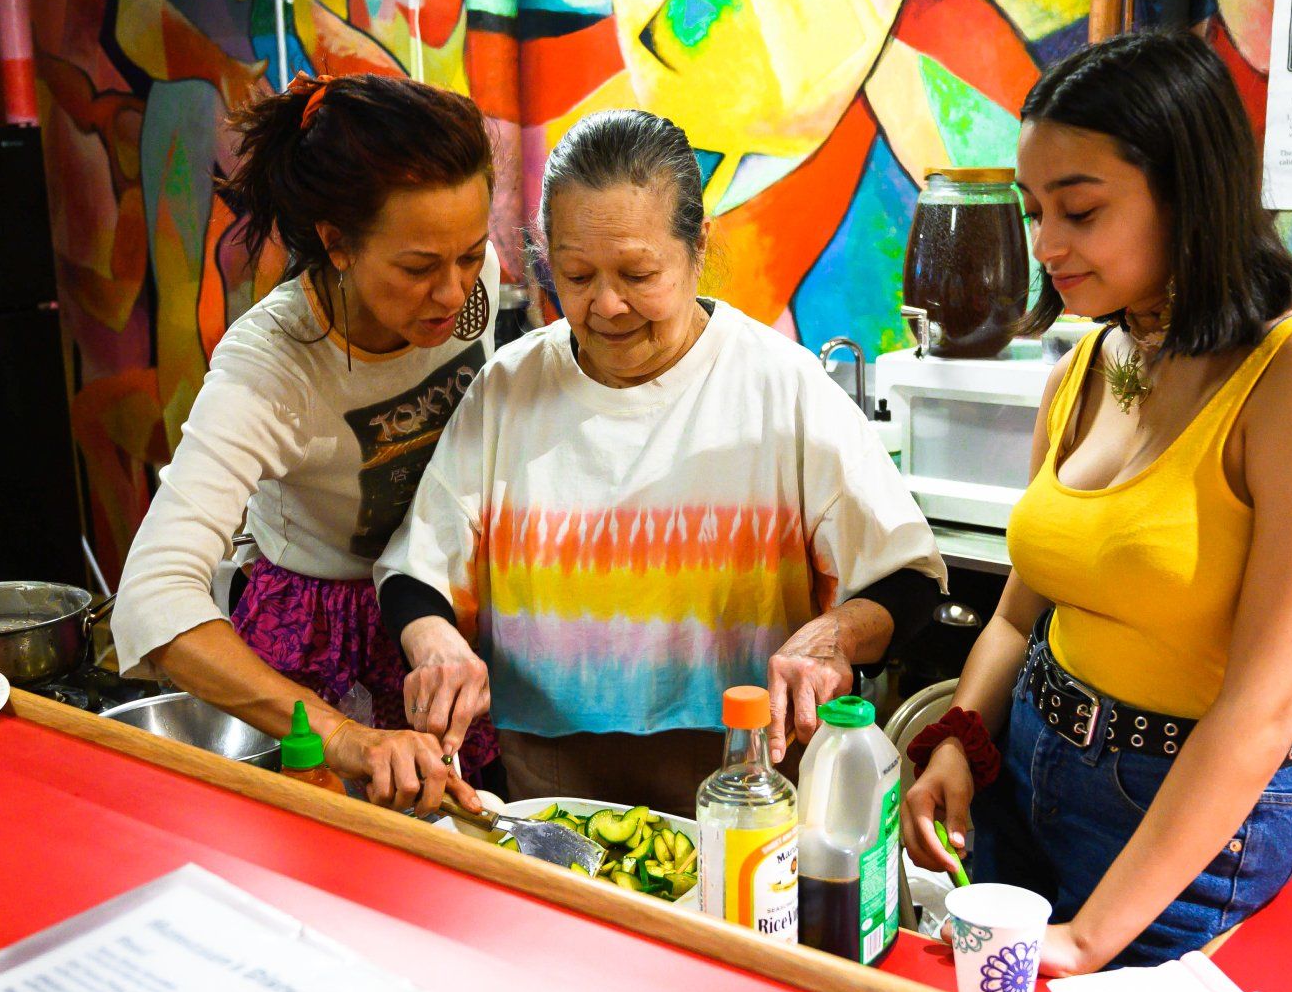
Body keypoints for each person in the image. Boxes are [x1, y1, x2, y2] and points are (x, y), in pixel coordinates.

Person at [900, 30, 1292, 972]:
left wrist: (1089, 937)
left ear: (1188, 193)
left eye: (1081, 210)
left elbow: (1268, 705)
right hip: (1027, 768)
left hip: (1182, 825)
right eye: (1035, 210)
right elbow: (1019, 611)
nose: (1046, 245)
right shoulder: (1086, 364)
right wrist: (961, 737)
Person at [373, 108, 946, 814]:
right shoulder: (511, 389)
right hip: (548, 788)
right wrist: (437, 645)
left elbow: (905, 577)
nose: (607, 305)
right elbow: (416, 572)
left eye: (638, 274)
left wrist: (833, 637)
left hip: (746, 780)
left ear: (696, 248)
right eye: (576, 275)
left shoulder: (779, 385)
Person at [113, 71, 506, 814]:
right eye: (419, 267)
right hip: (322, 639)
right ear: (337, 244)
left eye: (471, 255)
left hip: (442, 617)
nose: (454, 292)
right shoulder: (270, 366)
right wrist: (344, 736)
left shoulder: (464, 282)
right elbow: (150, 597)